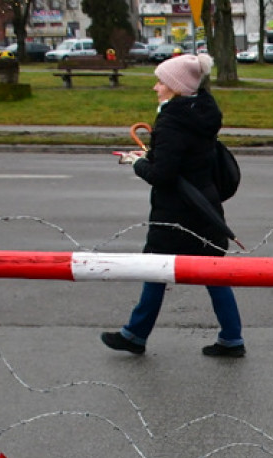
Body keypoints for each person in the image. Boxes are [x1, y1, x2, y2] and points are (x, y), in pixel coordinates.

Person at [102, 53, 245, 358]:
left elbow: (162, 175)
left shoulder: (172, 121)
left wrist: (137, 163)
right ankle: (232, 338)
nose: (156, 87)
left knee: (154, 270)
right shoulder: (203, 112)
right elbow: (185, 160)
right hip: (204, 206)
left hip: (174, 213)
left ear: (176, 87)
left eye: (162, 82)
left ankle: (135, 335)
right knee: (214, 274)